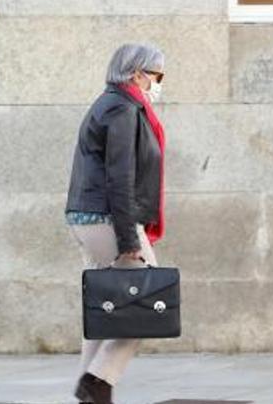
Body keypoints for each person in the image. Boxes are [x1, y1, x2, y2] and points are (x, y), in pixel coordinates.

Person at [64, 44, 168, 404]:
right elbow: (119, 179)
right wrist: (129, 240)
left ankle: (88, 389)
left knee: (105, 308)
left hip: (89, 217)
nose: (159, 82)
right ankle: (98, 381)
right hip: (109, 219)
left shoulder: (112, 104)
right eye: (157, 75)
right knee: (150, 300)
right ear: (136, 73)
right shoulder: (123, 109)